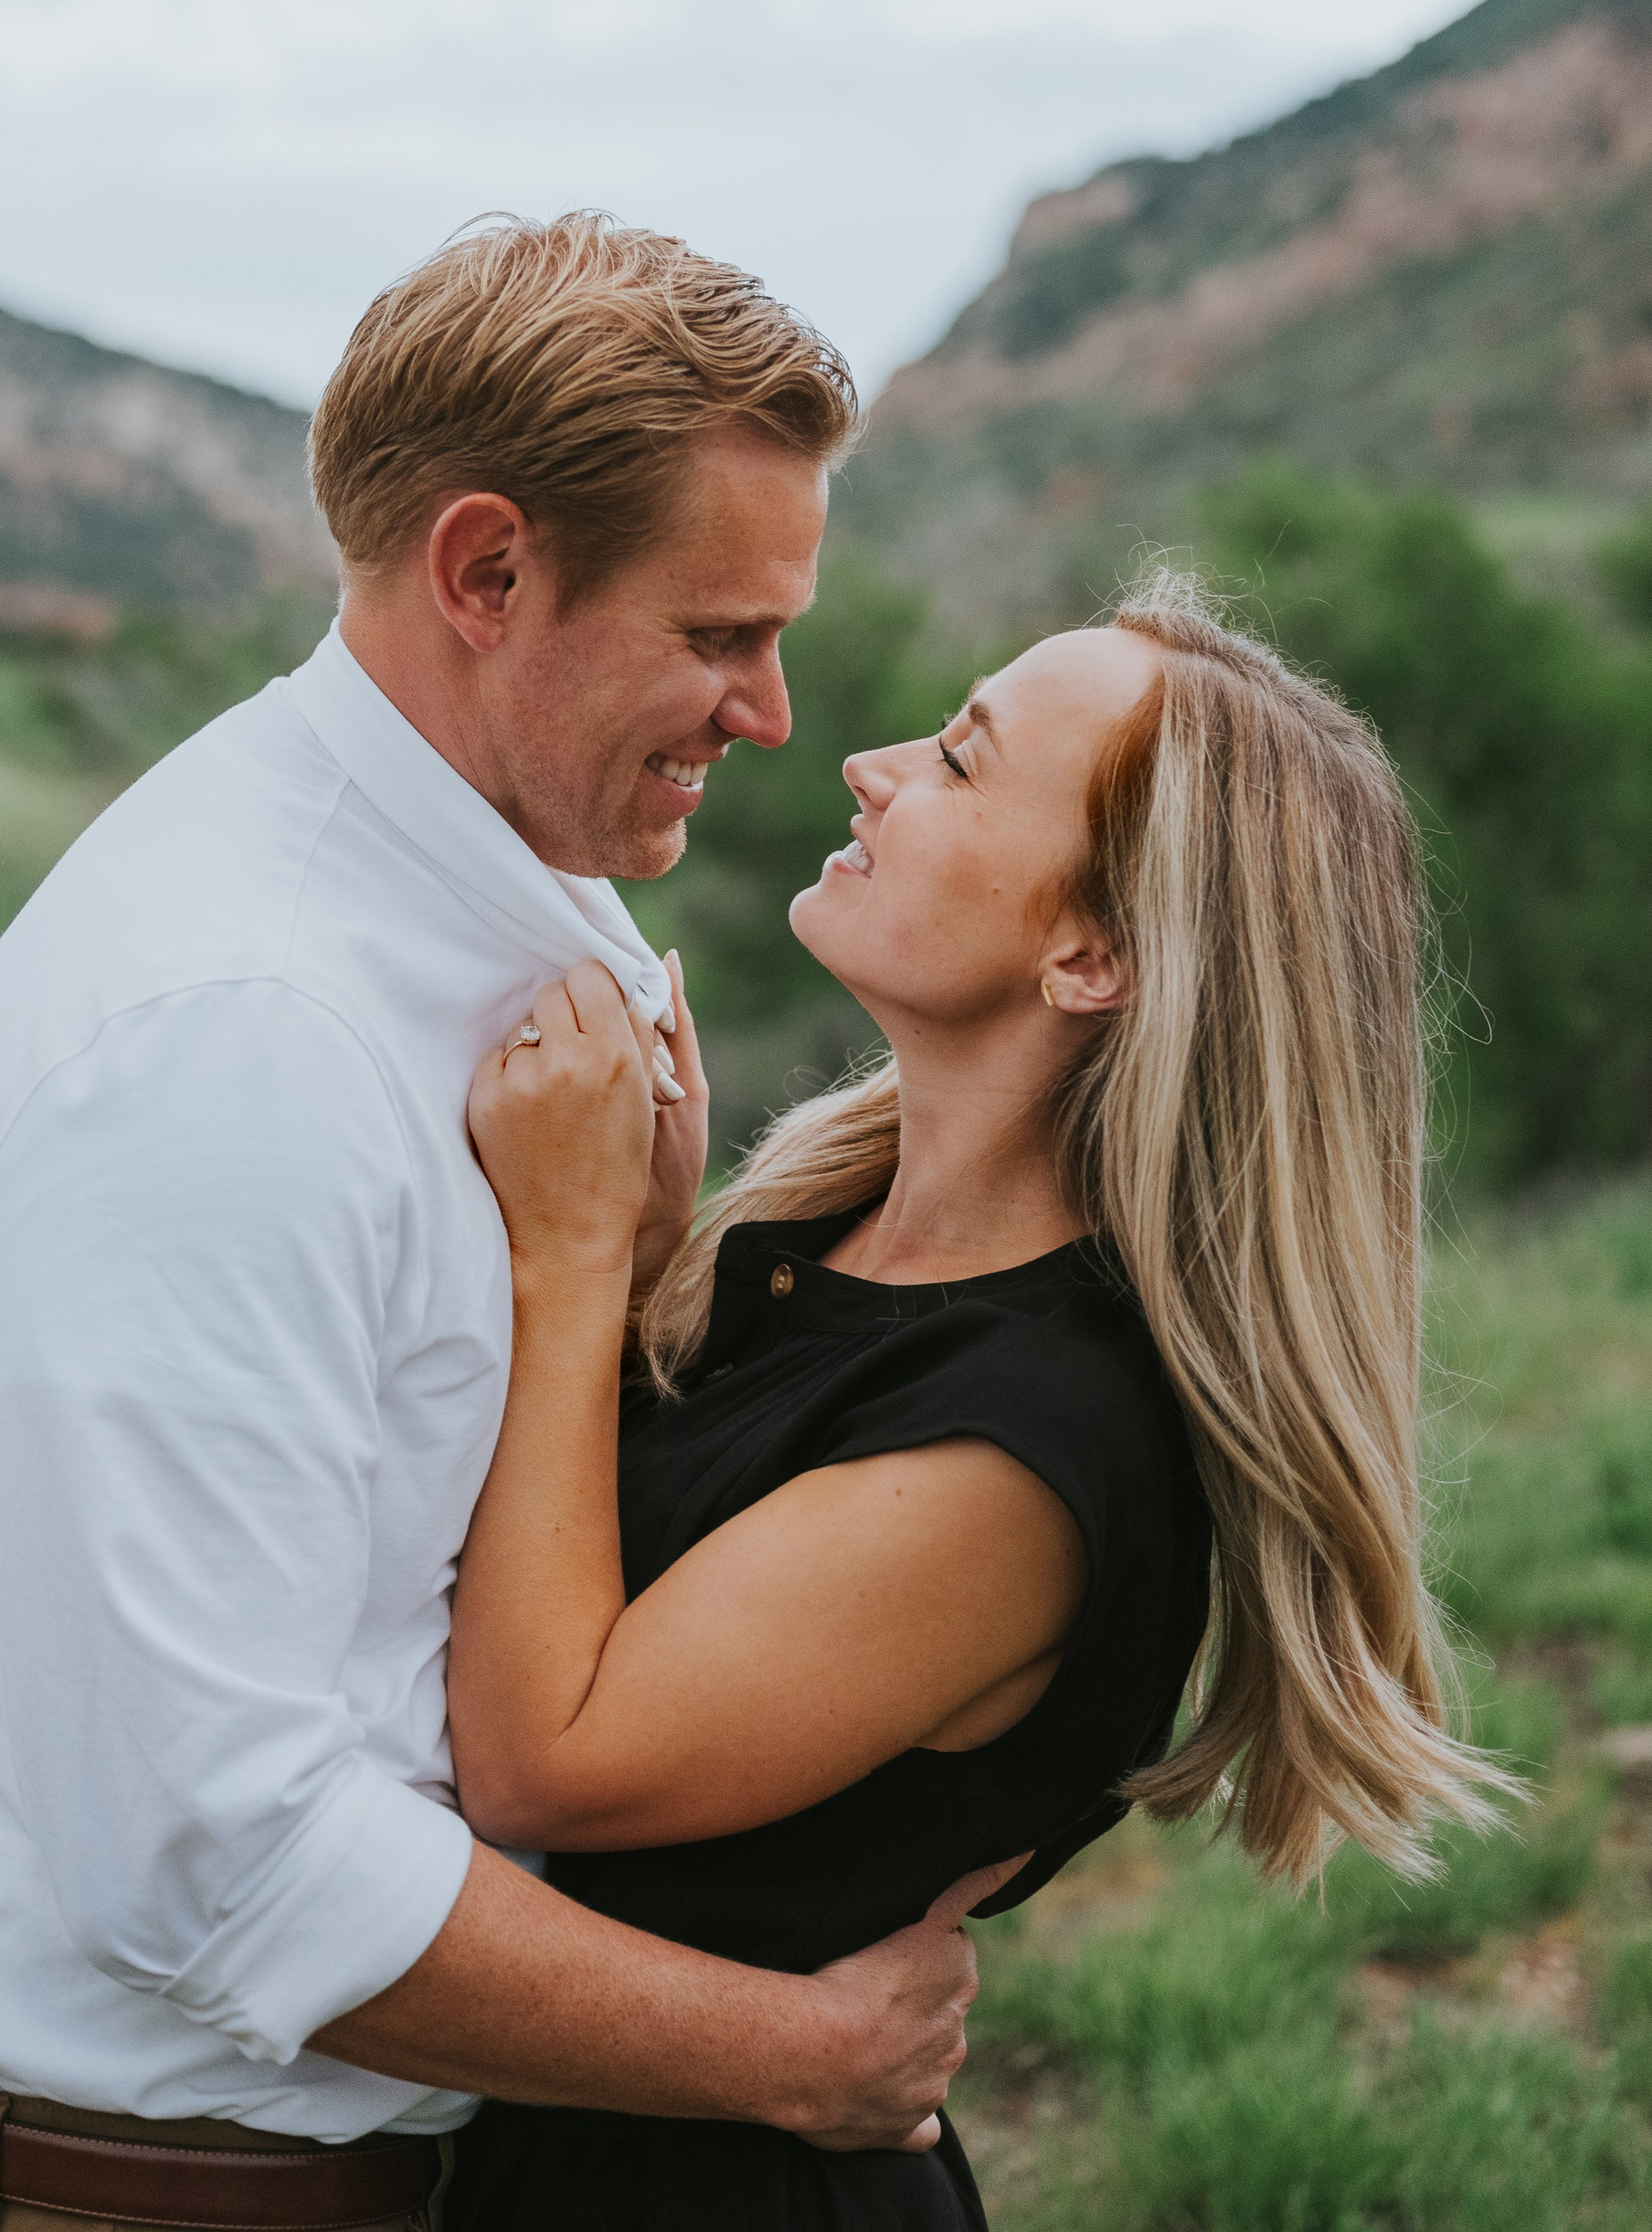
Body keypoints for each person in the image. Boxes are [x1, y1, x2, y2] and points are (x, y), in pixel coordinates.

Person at [0, 216, 1009, 2232]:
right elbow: (211, 1858)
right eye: (718, 635)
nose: (772, 712)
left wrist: (619, 1270)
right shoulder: (234, 1046)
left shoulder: (507, 920)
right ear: (486, 573)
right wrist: (795, 2061)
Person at [439, 579, 1512, 2230]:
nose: (868, 763)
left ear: (1094, 952)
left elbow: (545, 1760)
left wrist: (573, 1256)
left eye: (958, 755)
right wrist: (653, 1247)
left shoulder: (1022, 1444)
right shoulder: (824, 1237)